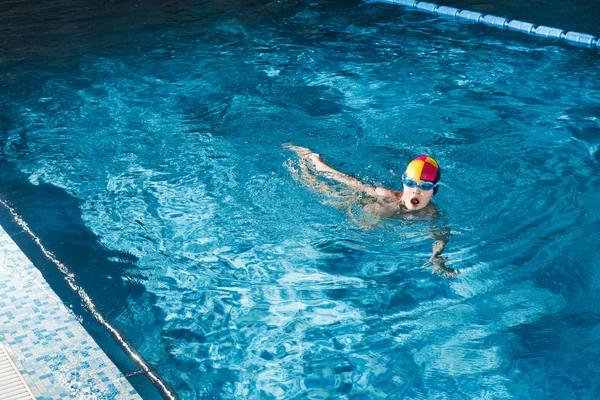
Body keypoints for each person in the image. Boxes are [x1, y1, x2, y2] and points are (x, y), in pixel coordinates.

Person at [284, 143, 459, 279]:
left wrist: (437, 257)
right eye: (411, 184)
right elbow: (353, 183)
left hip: (363, 232)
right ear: (404, 183)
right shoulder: (387, 195)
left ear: (434, 191)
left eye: (425, 186)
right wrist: (320, 165)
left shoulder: (431, 213)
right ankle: (309, 157)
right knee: (316, 186)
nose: (416, 191)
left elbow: (441, 236)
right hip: (353, 203)